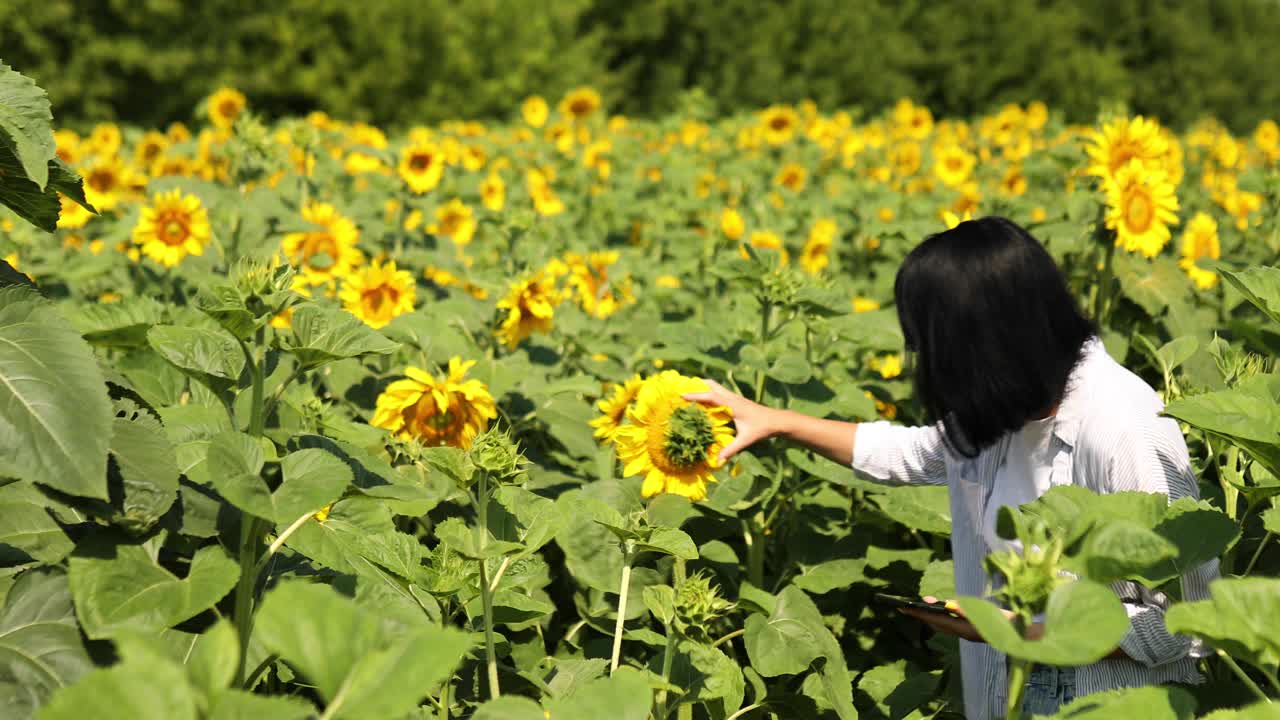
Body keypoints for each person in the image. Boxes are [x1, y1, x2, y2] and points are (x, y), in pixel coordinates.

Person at [681, 217, 1218, 719]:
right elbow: (912, 454)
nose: (925, 365)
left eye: (932, 348)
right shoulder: (1013, 405)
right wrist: (776, 421)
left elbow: (1189, 624)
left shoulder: (1124, 428)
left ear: (982, 348)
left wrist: (1021, 631)